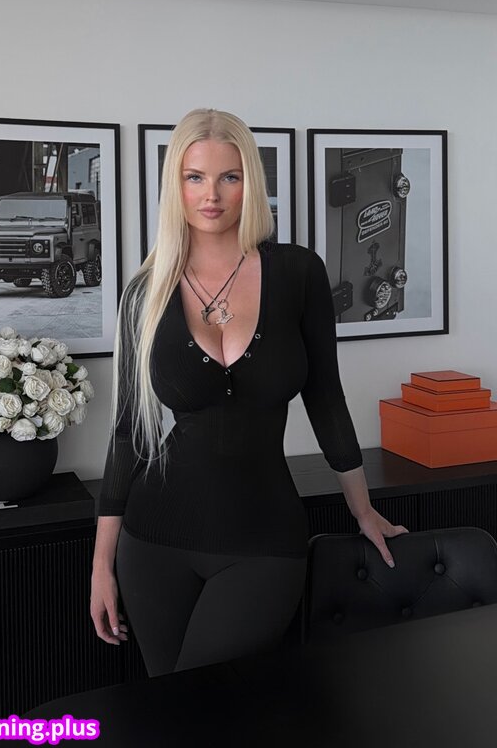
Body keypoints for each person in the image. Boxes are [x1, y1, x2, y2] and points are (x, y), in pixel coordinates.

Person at [90, 108, 408, 677]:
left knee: (218, 710)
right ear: (175, 185)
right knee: (171, 713)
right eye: (194, 177)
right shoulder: (145, 292)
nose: (211, 194)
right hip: (153, 540)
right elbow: (129, 432)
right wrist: (101, 565)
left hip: (265, 542)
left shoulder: (299, 273)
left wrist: (363, 510)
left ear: (250, 184)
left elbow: (326, 399)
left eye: (229, 177)